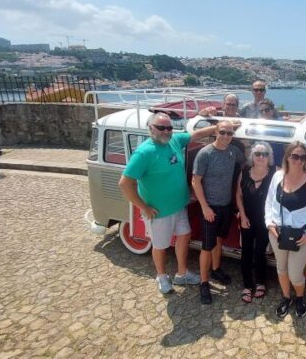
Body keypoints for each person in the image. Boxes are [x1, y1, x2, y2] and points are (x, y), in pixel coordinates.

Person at [118, 112, 227, 294]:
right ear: (151, 128)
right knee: (160, 245)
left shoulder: (174, 141)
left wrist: (220, 128)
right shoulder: (144, 152)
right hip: (158, 211)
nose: (166, 131)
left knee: (184, 236)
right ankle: (161, 276)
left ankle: (182, 273)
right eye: (161, 127)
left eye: (169, 127)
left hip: (179, 206)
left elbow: (196, 135)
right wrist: (143, 207)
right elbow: (125, 183)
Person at [264, 141, 306, 318]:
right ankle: (286, 298)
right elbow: (269, 202)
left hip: (301, 236)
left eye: (302, 157)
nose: (298, 161)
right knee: (281, 269)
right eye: (295, 156)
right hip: (277, 232)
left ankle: (300, 297)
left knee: (295, 274)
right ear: (287, 157)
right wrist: (269, 223)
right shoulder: (278, 176)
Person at [191, 120, 246, 304]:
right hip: (210, 207)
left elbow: (245, 165)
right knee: (207, 246)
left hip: (226, 205)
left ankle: (216, 269)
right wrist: (205, 207)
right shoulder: (205, 153)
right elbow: (195, 181)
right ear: (215, 132)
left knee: (219, 239)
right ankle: (204, 283)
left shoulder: (233, 151)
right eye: (222, 132)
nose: (226, 136)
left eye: (230, 133)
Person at [235, 141, 277, 303]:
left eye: (264, 154)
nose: (261, 157)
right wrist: (243, 216)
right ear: (252, 156)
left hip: (266, 220)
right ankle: (247, 285)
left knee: (260, 252)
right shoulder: (245, 172)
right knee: (246, 252)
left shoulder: (275, 172)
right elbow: (238, 194)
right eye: (257, 154)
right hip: (247, 218)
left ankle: (260, 282)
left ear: (269, 157)